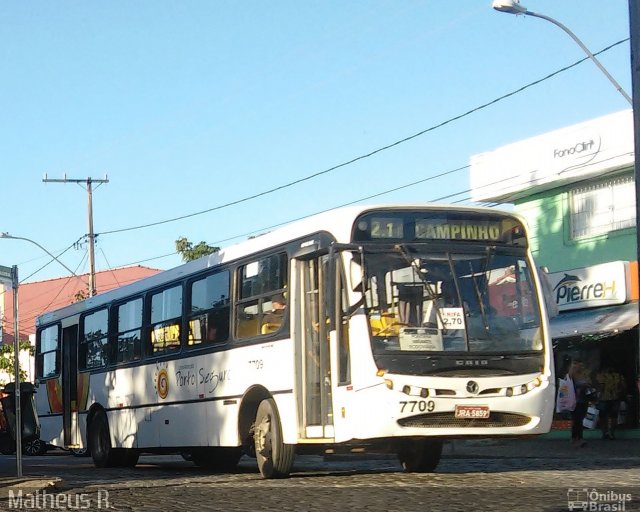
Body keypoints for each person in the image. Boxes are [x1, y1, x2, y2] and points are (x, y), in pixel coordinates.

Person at [596, 366, 626, 440]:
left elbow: (601, 386)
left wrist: (597, 396)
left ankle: (605, 433)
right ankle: (612, 433)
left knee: (603, 416)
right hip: (615, 398)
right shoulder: (619, 376)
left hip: (604, 398)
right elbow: (624, 386)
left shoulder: (602, 375)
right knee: (614, 416)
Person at [568, 359, 591, 448]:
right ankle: (576, 438)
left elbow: (589, 382)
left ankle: (578, 438)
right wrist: (572, 368)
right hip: (574, 401)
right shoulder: (572, 375)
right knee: (576, 420)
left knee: (580, 420)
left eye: (582, 366)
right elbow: (568, 381)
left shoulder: (584, 375)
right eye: (579, 366)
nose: (581, 367)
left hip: (583, 400)